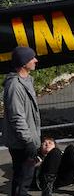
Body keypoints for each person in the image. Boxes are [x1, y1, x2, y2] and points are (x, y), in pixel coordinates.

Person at [3, 46, 40, 196]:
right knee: (22, 178)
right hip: (21, 143)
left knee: (23, 177)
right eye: (32, 58)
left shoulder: (27, 80)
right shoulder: (15, 86)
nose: (36, 60)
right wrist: (29, 141)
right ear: (24, 63)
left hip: (26, 139)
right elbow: (17, 117)